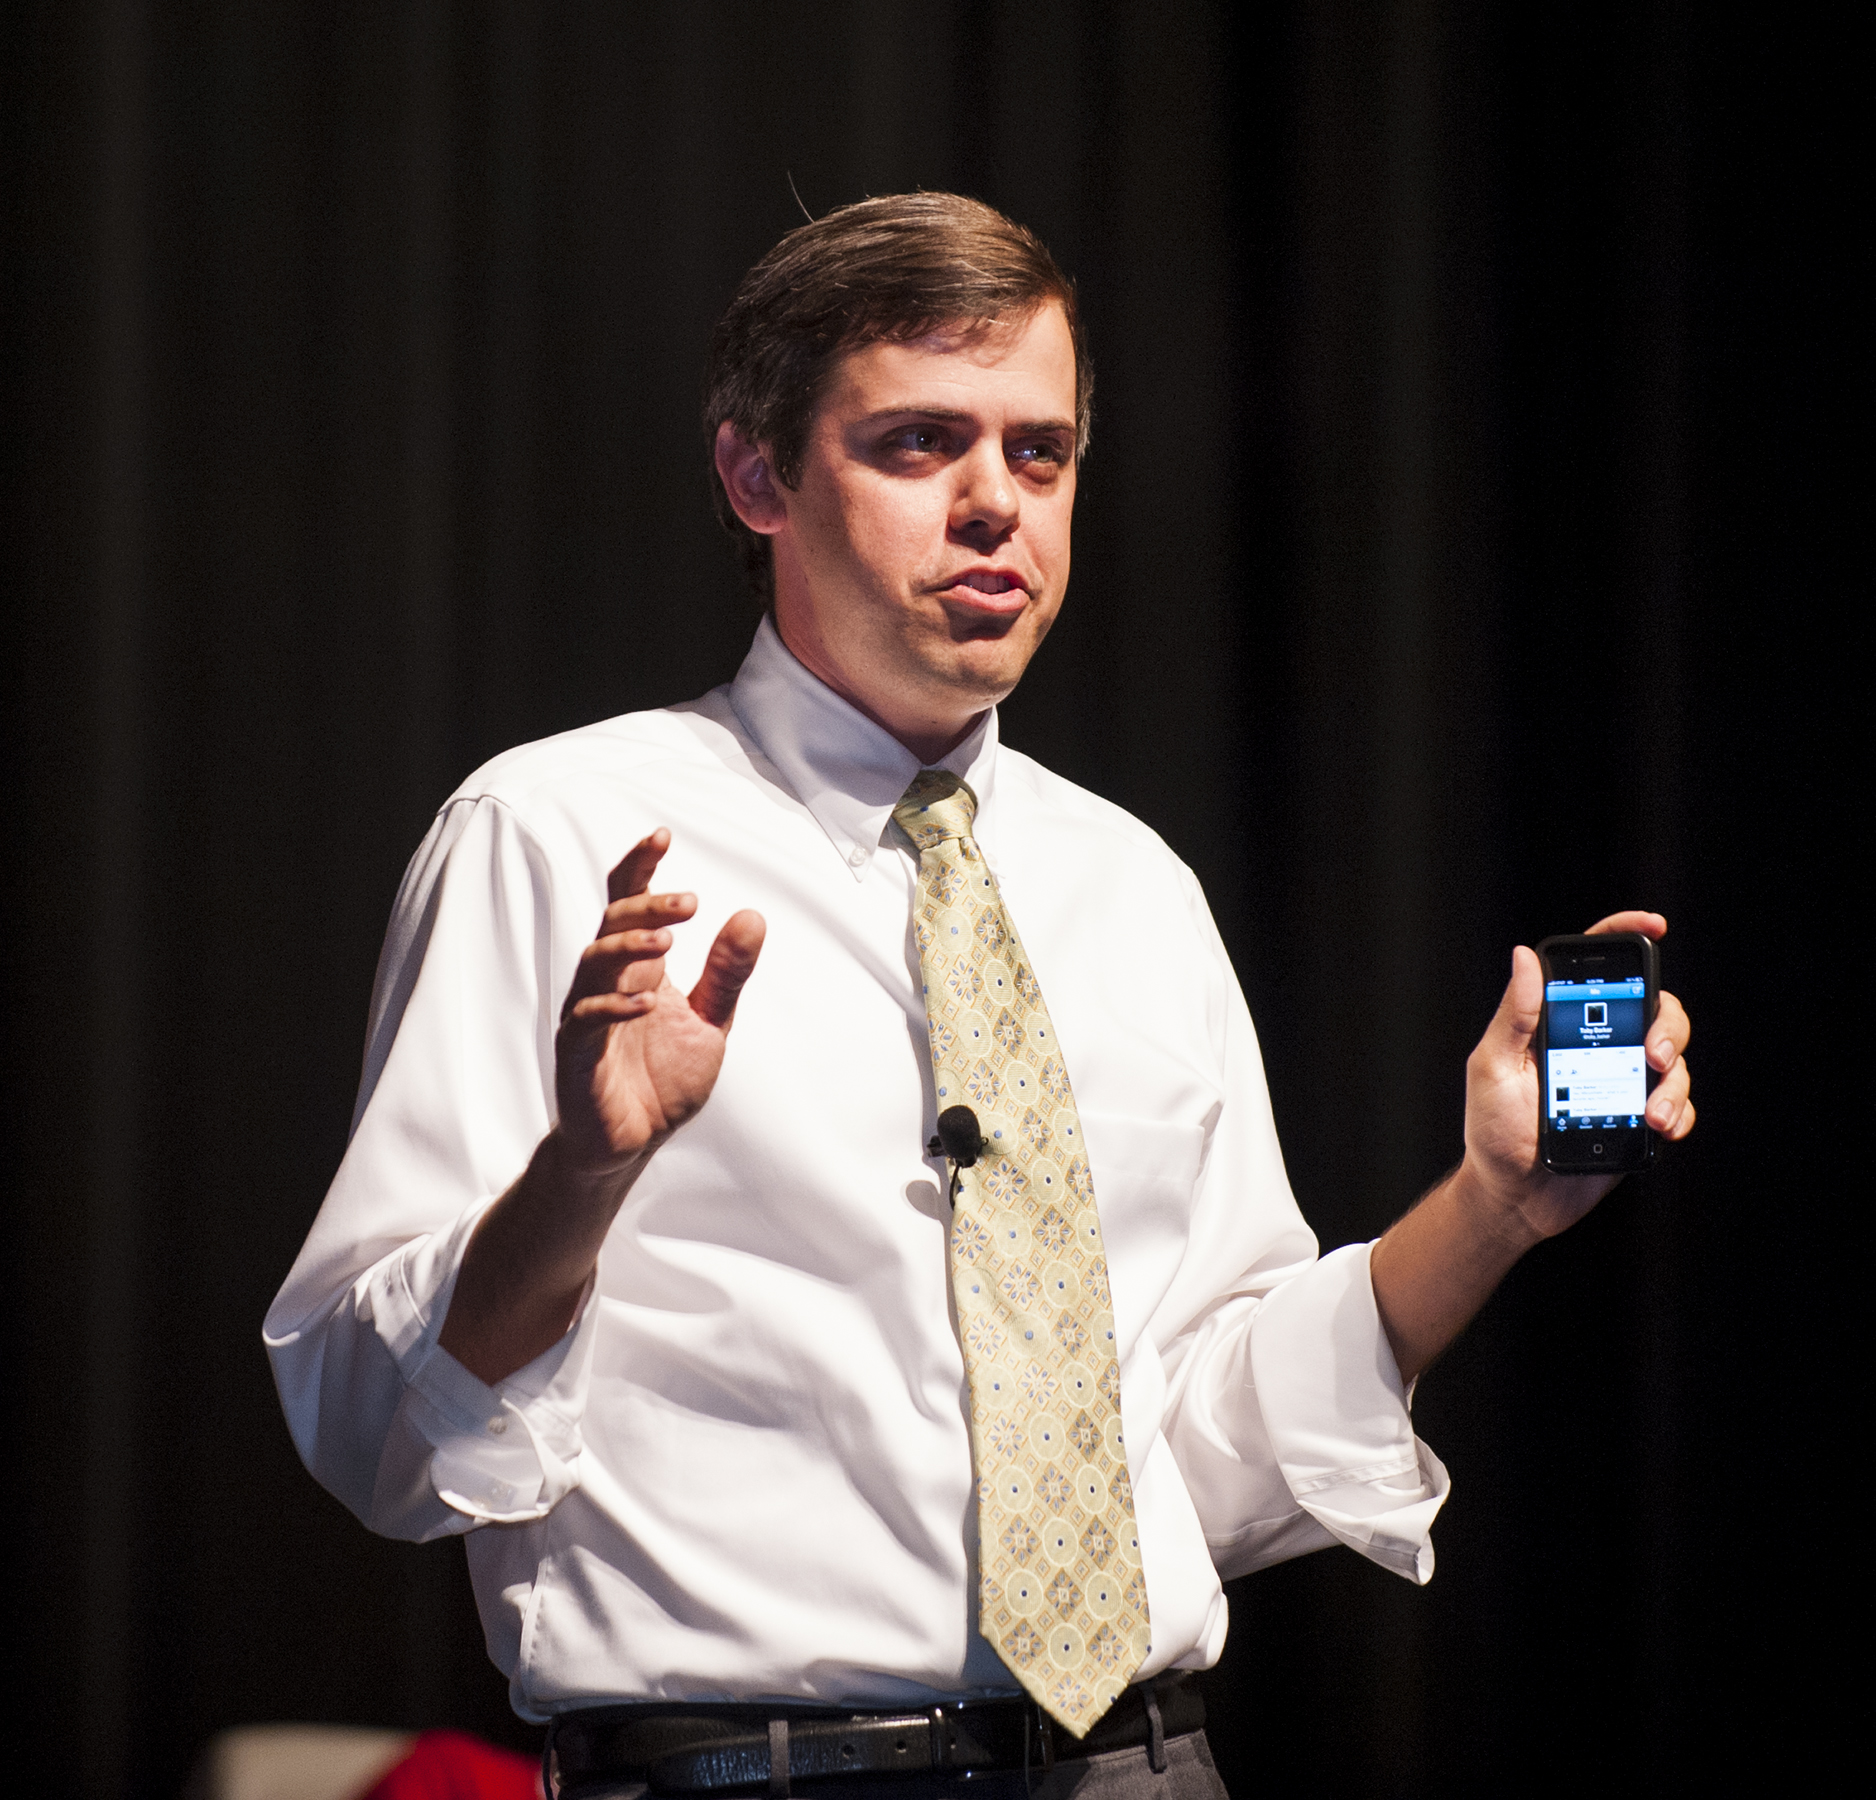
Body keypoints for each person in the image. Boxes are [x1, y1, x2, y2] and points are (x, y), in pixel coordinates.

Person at [266, 193, 1694, 1799]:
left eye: (1040, 452)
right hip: (758, 1769)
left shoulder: (1131, 884)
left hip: (1147, 1763)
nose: (993, 506)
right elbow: (370, 1425)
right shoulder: (562, 837)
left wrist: (1497, 1204)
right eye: (919, 442)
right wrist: (584, 1174)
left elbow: (1201, 1440)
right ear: (758, 475)